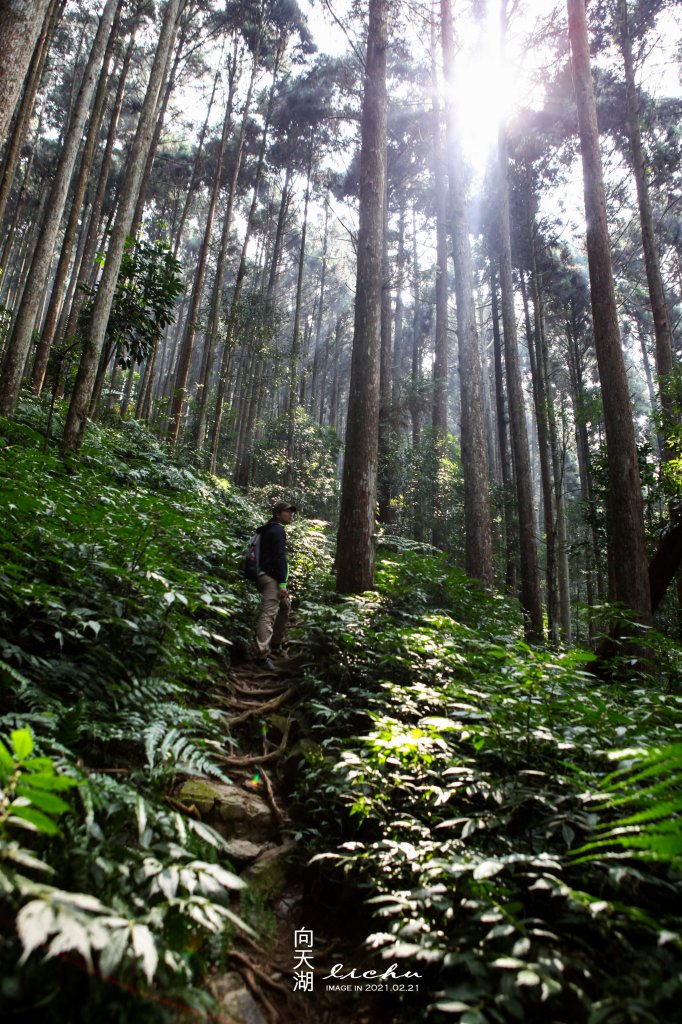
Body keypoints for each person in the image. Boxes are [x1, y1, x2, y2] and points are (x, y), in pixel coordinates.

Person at [254, 500, 296, 670]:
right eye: (287, 512)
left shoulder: (267, 528)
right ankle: (261, 657)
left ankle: (276, 645)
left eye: (291, 512)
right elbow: (279, 557)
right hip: (271, 577)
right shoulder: (277, 530)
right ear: (278, 514)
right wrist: (282, 583)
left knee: (285, 606)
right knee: (268, 615)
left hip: (262, 574)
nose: (291, 514)